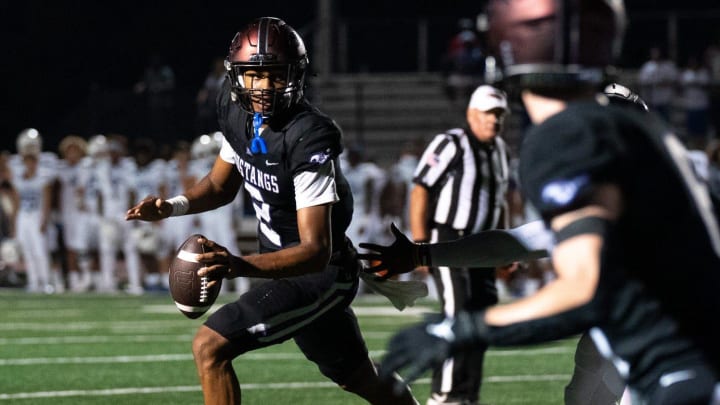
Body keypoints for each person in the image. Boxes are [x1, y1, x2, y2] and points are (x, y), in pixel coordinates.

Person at [366, 1, 720, 404]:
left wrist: (459, 330)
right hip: (677, 335)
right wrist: (422, 254)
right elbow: (518, 242)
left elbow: (584, 288)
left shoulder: (576, 135)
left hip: (686, 358)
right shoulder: (650, 147)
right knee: (584, 390)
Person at [125, 17, 418, 405]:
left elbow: (315, 250)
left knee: (209, 347)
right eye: (253, 76)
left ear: (295, 76)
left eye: (275, 76)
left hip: (320, 274)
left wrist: (238, 265)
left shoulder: (308, 135)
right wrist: (172, 206)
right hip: (284, 267)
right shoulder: (236, 113)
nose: (263, 88)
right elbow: (218, 185)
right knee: (358, 377)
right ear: (236, 77)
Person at [409, 84, 510, 405]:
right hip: (450, 240)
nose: (494, 120)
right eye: (489, 113)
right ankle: (446, 395)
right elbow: (421, 188)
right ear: (472, 114)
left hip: (483, 247)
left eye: (500, 114)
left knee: (482, 320)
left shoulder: (501, 150)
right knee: (458, 314)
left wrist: (506, 246)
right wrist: (420, 243)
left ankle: (468, 395)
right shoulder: (451, 143)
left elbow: (500, 202)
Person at [637, 46, 678, 123]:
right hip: (651, 101)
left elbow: (674, 81)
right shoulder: (647, 66)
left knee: (665, 122)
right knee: (653, 123)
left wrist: (663, 83)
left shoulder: (668, 65)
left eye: (656, 52)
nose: (655, 54)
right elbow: (642, 82)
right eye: (653, 53)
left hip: (666, 100)